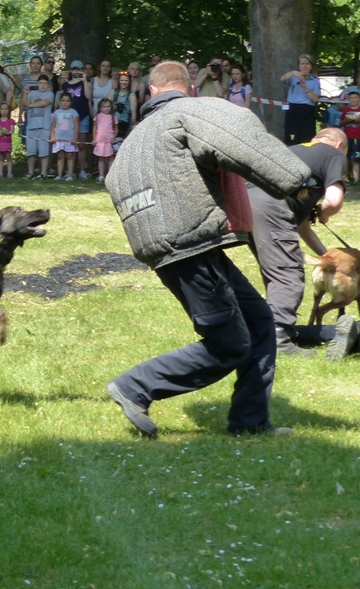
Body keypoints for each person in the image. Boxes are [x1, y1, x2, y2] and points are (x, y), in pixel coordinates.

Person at [104, 60, 311, 438]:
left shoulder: (136, 136)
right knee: (229, 344)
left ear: (151, 90)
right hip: (189, 245)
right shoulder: (188, 112)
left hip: (173, 245)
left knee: (260, 321)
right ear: (189, 87)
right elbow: (235, 134)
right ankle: (135, 386)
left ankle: (250, 422)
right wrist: (295, 178)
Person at [247, 127, 348, 357]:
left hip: (247, 203)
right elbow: (333, 201)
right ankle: (280, 341)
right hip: (271, 207)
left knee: (274, 271)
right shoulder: (333, 153)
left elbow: (300, 226)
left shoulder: (292, 151)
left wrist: (329, 256)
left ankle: (262, 330)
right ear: (338, 145)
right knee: (287, 273)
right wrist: (323, 212)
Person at [59, 61, 91, 179]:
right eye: (74, 69)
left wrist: (84, 80)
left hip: (83, 115)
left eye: (79, 69)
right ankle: (70, 171)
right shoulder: (66, 85)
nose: (76, 71)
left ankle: (82, 170)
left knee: (81, 145)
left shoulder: (86, 82)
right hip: (69, 117)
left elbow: (88, 96)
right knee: (69, 145)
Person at [280, 54, 321, 144]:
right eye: (302, 64)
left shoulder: (315, 81)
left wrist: (306, 88)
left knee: (306, 138)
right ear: (299, 66)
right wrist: (293, 73)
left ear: (311, 66)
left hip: (306, 110)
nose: (305, 66)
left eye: (307, 64)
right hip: (292, 109)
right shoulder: (292, 78)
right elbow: (282, 78)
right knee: (291, 136)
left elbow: (315, 99)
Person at [23, 75, 54, 179]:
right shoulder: (32, 94)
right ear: (37, 84)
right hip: (31, 126)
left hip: (44, 126)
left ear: (48, 85)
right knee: (31, 151)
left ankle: (43, 173)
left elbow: (44, 103)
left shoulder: (50, 94)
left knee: (44, 151)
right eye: (41, 83)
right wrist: (25, 94)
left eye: (45, 83)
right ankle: (30, 172)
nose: (43, 85)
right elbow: (24, 103)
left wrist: (31, 105)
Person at [339, 87, 360, 184]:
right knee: (345, 158)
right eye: (351, 97)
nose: (353, 100)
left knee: (356, 159)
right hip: (347, 137)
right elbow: (341, 123)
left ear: (359, 98)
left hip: (358, 138)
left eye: (355, 97)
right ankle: (344, 178)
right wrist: (346, 120)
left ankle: (356, 180)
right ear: (348, 99)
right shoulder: (346, 110)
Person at [50, 92, 79, 181]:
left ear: (70, 102)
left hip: (69, 139)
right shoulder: (56, 113)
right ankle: (59, 175)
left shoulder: (74, 112)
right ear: (60, 102)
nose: (65, 103)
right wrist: (52, 136)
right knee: (60, 156)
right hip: (59, 139)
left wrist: (75, 138)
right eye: (63, 101)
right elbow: (53, 125)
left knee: (70, 156)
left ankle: (70, 175)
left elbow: (76, 126)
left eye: (67, 101)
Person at [92, 97, 117, 181]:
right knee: (101, 158)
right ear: (100, 107)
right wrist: (94, 139)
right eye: (104, 107)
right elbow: (95, 128)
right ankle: (101, 175)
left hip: (109, 141)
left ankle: (110, 175)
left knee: (110, 158)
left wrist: (114, 136)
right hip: (100, 140)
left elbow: (115, 128)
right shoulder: (98, 116)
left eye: (108, 106)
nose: (106, 109)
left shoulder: (113, 117)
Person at [0, 102, 16, 178]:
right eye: (2, 109)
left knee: (8, 157)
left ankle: (9, 173)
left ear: (9, 110)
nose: (4, 111)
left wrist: (6, 132)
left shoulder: (11, 121)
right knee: (0, 158)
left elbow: (12, 132)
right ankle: (0, 173)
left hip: (7, 142)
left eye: (6, 109)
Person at [112, 71, 136, 137]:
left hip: (123, 123)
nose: (124, 82)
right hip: (111, 121)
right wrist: (112, 108)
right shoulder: (113, 92)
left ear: (129, 82)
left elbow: (133, 112)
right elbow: (105, 106)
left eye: (126, 80)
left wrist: (132, 125)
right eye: (122, 80)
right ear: (119, 81)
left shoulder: (131, 95)